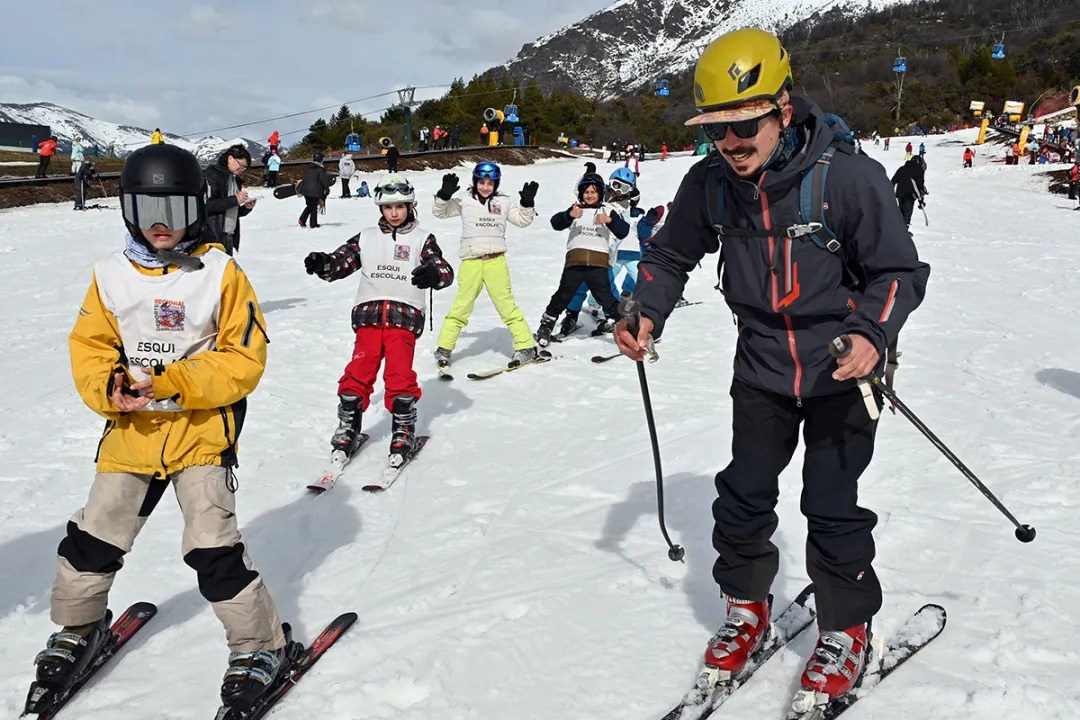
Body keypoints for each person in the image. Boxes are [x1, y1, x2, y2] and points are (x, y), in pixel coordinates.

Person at [614, 27, 929, 709]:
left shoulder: (846, 179)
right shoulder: (712, 185)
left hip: (843, 370)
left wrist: (872, 332)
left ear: (782, 109)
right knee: (744, 493)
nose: (731, 143)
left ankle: (846, 625)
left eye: (744, 124)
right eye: (716, 130)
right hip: (761, 364)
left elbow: (900, 272)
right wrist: (646, 310)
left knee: (830, 502)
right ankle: (747, 606)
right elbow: (669, 257)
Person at [27, 144, 289, 715]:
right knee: (93, 538)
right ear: (128, 210)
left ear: (195, 206)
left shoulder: (221, 272)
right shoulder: (110, 276)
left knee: (212, 548)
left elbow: (244, 359)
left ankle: (260, 643)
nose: (162, 224)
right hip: (133, 432)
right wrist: (111, 387)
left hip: (200, 431)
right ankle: (78, 627)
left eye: (172, 208)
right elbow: (91, 348)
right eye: (148, 210)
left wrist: (172, 381)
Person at [303, 175, 453, 466]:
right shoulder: (367, 237)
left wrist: (435, 274)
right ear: (380, 209)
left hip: (404, 318)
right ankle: (348, 426)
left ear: (410, 205)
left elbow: (442, 267)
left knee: (398, 375)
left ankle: (403, 429)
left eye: (399, 206)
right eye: (387, 207)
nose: (394, 213)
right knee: (358, 370)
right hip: (369, 317)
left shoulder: (422, 238)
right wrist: (323, 263)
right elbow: (341, 262)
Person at [432, 162, 543, 370]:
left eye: (490, 183)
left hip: (496, 261)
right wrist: (444, 195)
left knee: (506, 305)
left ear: (496, 184)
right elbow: (441, 212)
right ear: (475, 182)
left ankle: (526, 346)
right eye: (481, 182)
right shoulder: (465, 200)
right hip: (471, 261)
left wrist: (527, 204)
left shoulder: (504, 201)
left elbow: (522, 220)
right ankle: (444, 348)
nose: (485, 187)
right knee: (461, 306)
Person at [534, 171, 628, 346]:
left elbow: (623, 231)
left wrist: (609, 220)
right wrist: (569, 215)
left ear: (600, 193)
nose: (590, 195)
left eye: (593, 192)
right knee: (563, 296)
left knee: (606, 298)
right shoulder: (576, 209)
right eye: (586, 192)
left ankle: (625, 327)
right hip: (575, 264)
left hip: (598, 265)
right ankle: (546, 325)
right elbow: (555, 223)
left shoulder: (608, 210)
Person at [204, 145, 255, 255]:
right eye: (240, 165)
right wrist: (235, 199)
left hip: (228, 236)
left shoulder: (235, 180)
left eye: (244, 168)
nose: (241, 169)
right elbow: (207, 206)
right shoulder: (214, 174)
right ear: (230, 158)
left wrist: (246, 208)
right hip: (213, 235)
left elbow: (231, 211)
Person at [299, 152, 334, 228]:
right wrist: (327, 188)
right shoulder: (320, 169)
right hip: (315, 190)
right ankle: (313, 223)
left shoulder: (307, 168)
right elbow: (323, 180)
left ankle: (302, 219)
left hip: (305, 190)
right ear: (321, 160)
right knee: (314, 207)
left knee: (309, 206)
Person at [891, 156, 928, 227]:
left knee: (901, 211)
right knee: (907, 213)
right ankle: (903, 230)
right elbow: (920, 184)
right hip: (910, 195)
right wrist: (921, 198)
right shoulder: (919, 169)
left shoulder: (901, 169)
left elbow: (893, 181)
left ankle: (898, 228)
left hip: (900, 194)